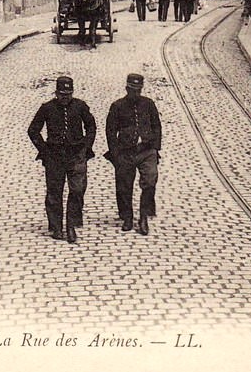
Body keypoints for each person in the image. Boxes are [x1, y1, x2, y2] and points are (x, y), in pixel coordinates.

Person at [28, 76, 96, 244]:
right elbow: (33, 130)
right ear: (56, 93)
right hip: (55, 157)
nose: (65, 98)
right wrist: (44, 150)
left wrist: (86, 147)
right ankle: (56, 226)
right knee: (54, 193)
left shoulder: (80, 106)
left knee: (78, 189)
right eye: (62, 94)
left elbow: (91, 127)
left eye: (68, 94)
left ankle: (71, 225)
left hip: (76, 155)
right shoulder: (47, 108)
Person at [105, 73, 162, 236]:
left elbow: (157, 126)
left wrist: (155, 148)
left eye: (138, 90)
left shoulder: (149, 104)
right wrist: (115, 154)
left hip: (146, 150)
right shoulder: (117, 106)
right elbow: (110, 131)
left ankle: (143, 216)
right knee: (124, 186)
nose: (135, 93)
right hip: (125, 152)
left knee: (150, 180)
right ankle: (127, 217)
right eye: (132, 90)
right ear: (126, 88)